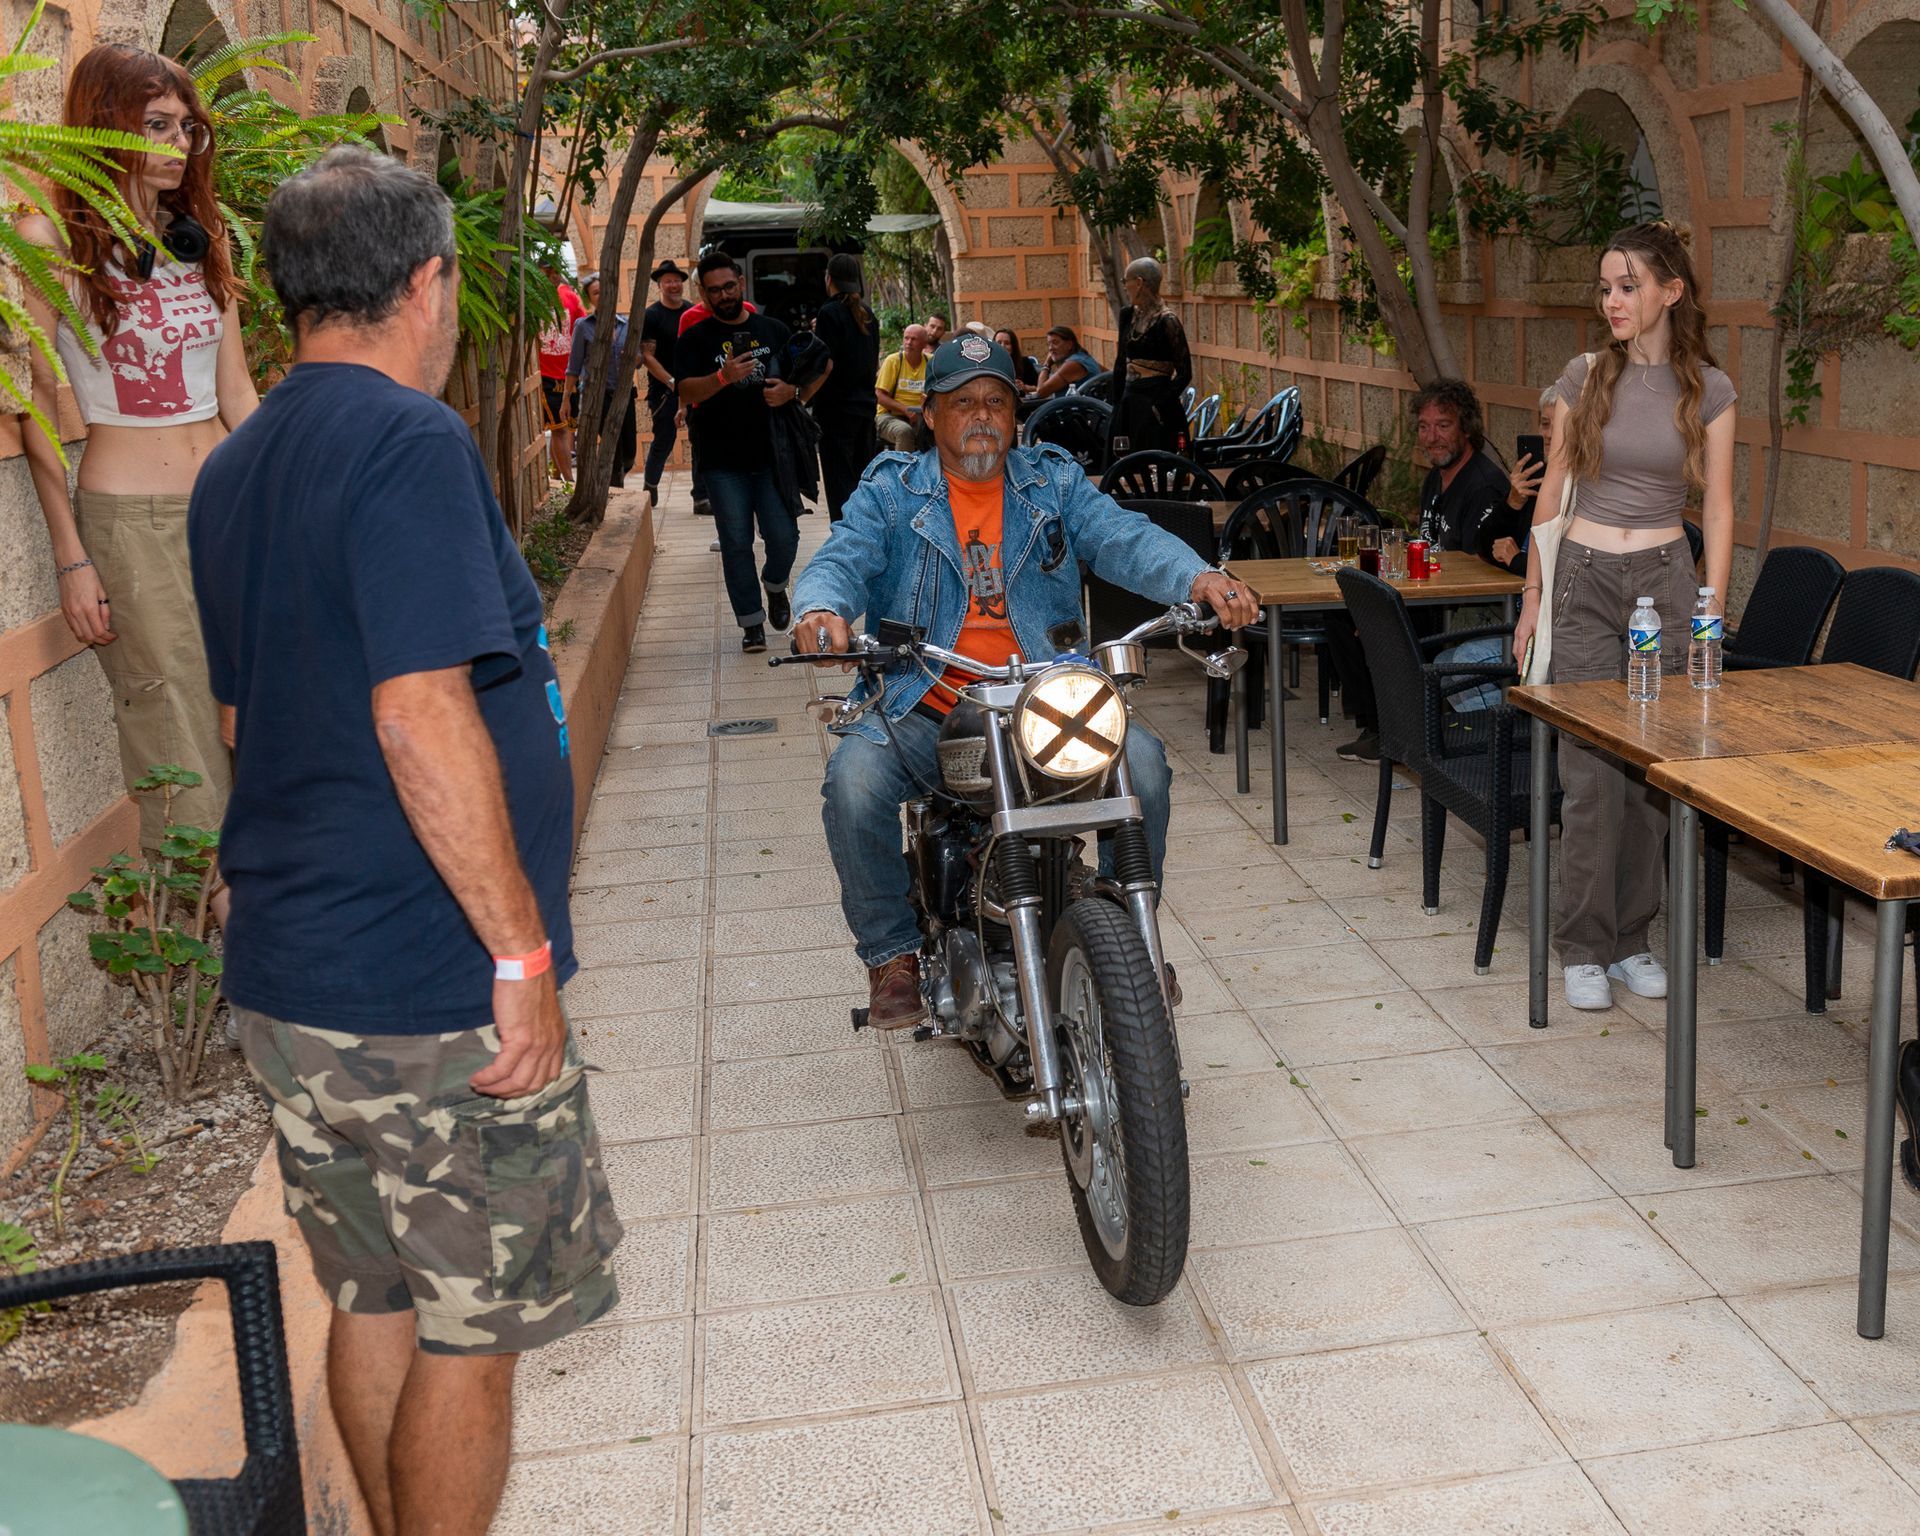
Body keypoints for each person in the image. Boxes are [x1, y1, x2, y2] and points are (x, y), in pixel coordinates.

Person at [187, 147, 622, 1535]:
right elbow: (421, 713)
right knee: (469, 1335)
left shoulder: (236, 468)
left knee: (371, 1294)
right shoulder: (408, 442)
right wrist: (520, 953)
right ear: (429, 282)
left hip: (296, 976)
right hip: (425, 992)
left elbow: (253, 719)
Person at [791, 336, 1259, 1029]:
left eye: (997, 402)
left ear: (1016, 414)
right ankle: (891, 954)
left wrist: (1199, 577)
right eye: (963, 403)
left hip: (1045, 700)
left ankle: (1129, 928)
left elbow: (1123, 537)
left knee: (1147, 769)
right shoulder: (892, 489)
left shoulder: (1053, 481)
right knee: (854, 782)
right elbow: (843, 556)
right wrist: (821, 609)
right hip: (928, 703)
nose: (981, 416)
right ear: (930, 415)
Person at [17, 43, 256, 902]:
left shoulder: (200, 239)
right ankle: (247, 964)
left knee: (257, 711)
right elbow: (35, 405)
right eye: (155, 125)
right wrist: (71, 554)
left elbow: (237, 392)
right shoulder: (55, 242)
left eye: (186, 128)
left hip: (225, 508)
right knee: (178, 731)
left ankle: (276, 924)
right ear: (104, 126)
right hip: (135, 520)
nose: (176, 144)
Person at [1512, 222, 1736, 1012]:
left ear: (1669, 292)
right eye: (1605, 287)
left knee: (1648, 776)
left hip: (1668, 583)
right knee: (1586, 776)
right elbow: (1553, 491)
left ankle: (1632, 939)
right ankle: (1581, 945)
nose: (1611, 300)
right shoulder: (1584, 376)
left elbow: (1719, 503)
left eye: (1627, 286)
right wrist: (1533, 597)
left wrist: (1709, 614)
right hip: (1582, 579)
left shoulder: (1708, 387)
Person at [675, 250, 815, 653]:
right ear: (702, 293)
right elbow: (685, 390)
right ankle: (751, 624)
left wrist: (794, 392)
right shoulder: (694, 338)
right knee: (735, 543)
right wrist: (723, 376)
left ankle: (775, 585)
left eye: (729, 286)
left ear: (741, 282)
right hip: (720, 462)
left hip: (772, 458)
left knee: (785, 536)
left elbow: (806, 371)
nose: (724, 295)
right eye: (714, 290)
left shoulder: (771, 329)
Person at [810, 253, 878, 522]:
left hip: (836, 411)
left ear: (829, 279)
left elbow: (825, 363)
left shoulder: (829, 312)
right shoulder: (868, 314)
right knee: (862, 481)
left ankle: (844, 540)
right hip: (864, 408)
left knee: (839, 485)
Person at [1409, 378, 1512, 554]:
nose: (1432, 437)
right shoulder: (1435, 477)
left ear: (1467, 428)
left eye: (1443, 425)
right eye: (1424, 427)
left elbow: (1478, 570)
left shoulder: (1484, 489)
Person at [639, 258, 708, 511]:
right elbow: (647, 355)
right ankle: (650, 484)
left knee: (699, 439)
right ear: (659, 285)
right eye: (667, 281)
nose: (673, 285)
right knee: (664, 440)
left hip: (695, 387)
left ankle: (701, 496)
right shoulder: (652, 315)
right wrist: (671, 382)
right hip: (664, 391)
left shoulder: (692, 312)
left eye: (677, 280)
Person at [1109, 257, 1192, 453]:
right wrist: (1117, 405)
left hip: (1155, 403)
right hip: (1129, 402)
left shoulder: (1167, 321)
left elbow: (1184, 372)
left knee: (1156, 461)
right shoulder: (1128, 315)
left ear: (1138, 283)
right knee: (1122, 461)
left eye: (1126, 281)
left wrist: (1160, 405)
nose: (1125, 286)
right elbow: (1120, 362)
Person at [1474, 383, 1557, 575]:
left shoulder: (1583, 486)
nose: (1550, 434)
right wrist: (1512, 503)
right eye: (1545, 424)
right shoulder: (1534, 479)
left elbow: (1563, 571)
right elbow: (1485, 547)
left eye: (1560, 426)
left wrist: (1516, 560)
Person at [567, 273, 638, 489]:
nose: (603, 296)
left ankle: (612, 479)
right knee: (612, 447)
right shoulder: (583, 326)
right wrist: (565, 401)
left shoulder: (626, 324)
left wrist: (637, 358)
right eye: (596, 293)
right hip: (598, 397)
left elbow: (638, 360)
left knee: (630, 453)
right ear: (590, 298)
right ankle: (613, 491)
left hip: (624, 395)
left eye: (605, 291)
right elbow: (573, 366)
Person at [536, 263, 586, 488]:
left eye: (554, 272)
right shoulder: (532, 300)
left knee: (566, 428)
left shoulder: (569, 297)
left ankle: (557, 478)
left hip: (569, 375)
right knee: (560, 429)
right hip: (547, 374)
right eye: (547, 272)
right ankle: (569, 481)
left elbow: (582, 326)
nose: (552, 276)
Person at [874, 323, 932, 451]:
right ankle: (903, 470)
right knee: (904, 431)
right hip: (889, 415)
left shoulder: (930, 362)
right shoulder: (893, 361)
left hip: (922, 415)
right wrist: (905, 410)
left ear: (924, 343)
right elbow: (879, 396)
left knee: (935, 432)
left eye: (914, 339)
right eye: (906, 338)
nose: (908, 342)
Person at [1022, 325, 1102, 403]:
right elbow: (1108, 373)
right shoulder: (1083, 358)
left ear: (1069, 345)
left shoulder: (1073, 364)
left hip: (1078, 412)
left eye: (1055, 343)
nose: (1050, 348)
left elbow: (1041, 392)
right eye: (1049, 344)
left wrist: (1047, 364)